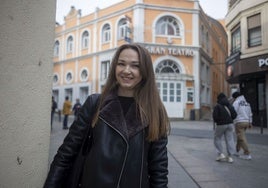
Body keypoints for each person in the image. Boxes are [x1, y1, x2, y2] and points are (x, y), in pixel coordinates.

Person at [44, 43, 170, 188]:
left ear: (145, 71)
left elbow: (159, 171)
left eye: (135, 66)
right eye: (121, 64)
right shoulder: (94, 103)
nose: (126, 71)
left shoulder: (155, 112)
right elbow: (65, 155)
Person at [213, 93, 237, 163]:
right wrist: (230, 119)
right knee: (230, 139)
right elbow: (235, 115)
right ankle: (230, 156)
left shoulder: (218, 106)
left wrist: (219, 121)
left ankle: (220, 154)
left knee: (217, 138)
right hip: (230, 124)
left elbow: (215, 117)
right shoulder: (229, 105)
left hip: (221, 124)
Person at [232, 91, 253, 160]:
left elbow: (233, 112)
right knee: (240, 137)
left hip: (239, 122)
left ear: (235, 97)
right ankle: (237, 151)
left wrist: (233, 121)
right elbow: (250, 113)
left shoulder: (236, 102)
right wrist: (250, 122)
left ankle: (247, 154)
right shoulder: (247, 103)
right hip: (246, 121)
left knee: (241, 138)